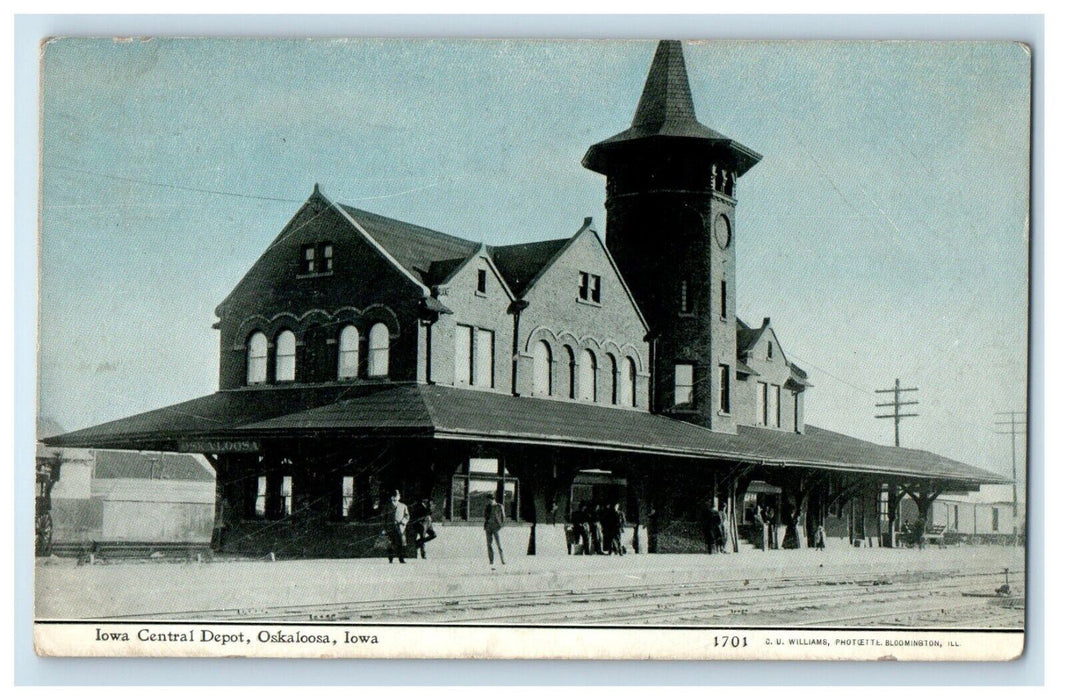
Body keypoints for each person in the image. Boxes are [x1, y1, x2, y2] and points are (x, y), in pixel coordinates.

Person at [382, 490, 409, 563]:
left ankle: (401, 559)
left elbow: (407, 516)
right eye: (393, 496)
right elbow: (384, 518)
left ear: (399, 497)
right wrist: (384, 528)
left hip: (400, 528)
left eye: (397, 496)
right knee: (390, 543)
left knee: (400, 543)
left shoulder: (403, 506)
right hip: (390, 527)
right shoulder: (387, 506)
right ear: (391, 498)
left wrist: (403, 522)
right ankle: (390, 558)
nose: (395, 498)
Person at [483, 492, 506, 566]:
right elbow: (485, 516)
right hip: (488, 527)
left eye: (489, 500)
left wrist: (500, 525)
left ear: (492, 499)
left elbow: (503, 517)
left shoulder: (499, 506)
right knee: (489, 544)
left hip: (496, 527)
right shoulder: (487, 507)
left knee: (499, 544)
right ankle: (491, 560)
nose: (488, 501)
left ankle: (503, 560)